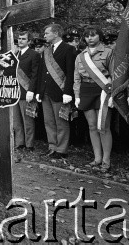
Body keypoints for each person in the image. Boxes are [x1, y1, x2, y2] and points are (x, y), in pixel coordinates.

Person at [74, 27, 114, 172]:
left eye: (93, 35)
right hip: (86, 90)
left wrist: (113, 95)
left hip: (102, 90)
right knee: (92, 126)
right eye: (86, 36)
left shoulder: (108, 52)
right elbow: (76, 78)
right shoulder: (80, 56)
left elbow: (114, 75)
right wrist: (77, 95)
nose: (89, 38)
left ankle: (106, 160)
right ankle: (97, 158)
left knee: (103, 126)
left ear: (99, 36)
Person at [37, 23, 76, 159]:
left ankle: (62, 149)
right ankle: (52, 146)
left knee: (61, 122)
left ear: (56, 33)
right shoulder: (46, 51)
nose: (45, 35)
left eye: (47, 33)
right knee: (48, 121)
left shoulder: (69, 49)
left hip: (60, 91)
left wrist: (68, 92)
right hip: (46, 91)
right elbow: (42, 73)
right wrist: (39, 91)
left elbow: (71, 73)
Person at [14, 31, 41, 151]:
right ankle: (19, 143)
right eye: (19, 38)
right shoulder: (15, 54)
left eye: (23, 39)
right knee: (16, 120)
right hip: (15, 92)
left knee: (28, 120)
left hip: (27, 91)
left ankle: (29, 144)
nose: (20, 41)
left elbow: (35, 74)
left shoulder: (33, 54)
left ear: (29, 41)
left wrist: (31, 91)